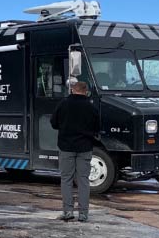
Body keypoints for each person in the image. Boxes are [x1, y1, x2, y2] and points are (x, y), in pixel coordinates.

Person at [50, 81, 99, 222]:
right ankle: (83, 214)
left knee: (66, 179)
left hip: (66, 147)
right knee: (83, 180)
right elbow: (97, 128)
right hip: (85, 148)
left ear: (73, 90)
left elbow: (53, 123)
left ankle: (68, 212)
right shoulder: (91, 107)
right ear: (86, 91)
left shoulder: (63, 104)